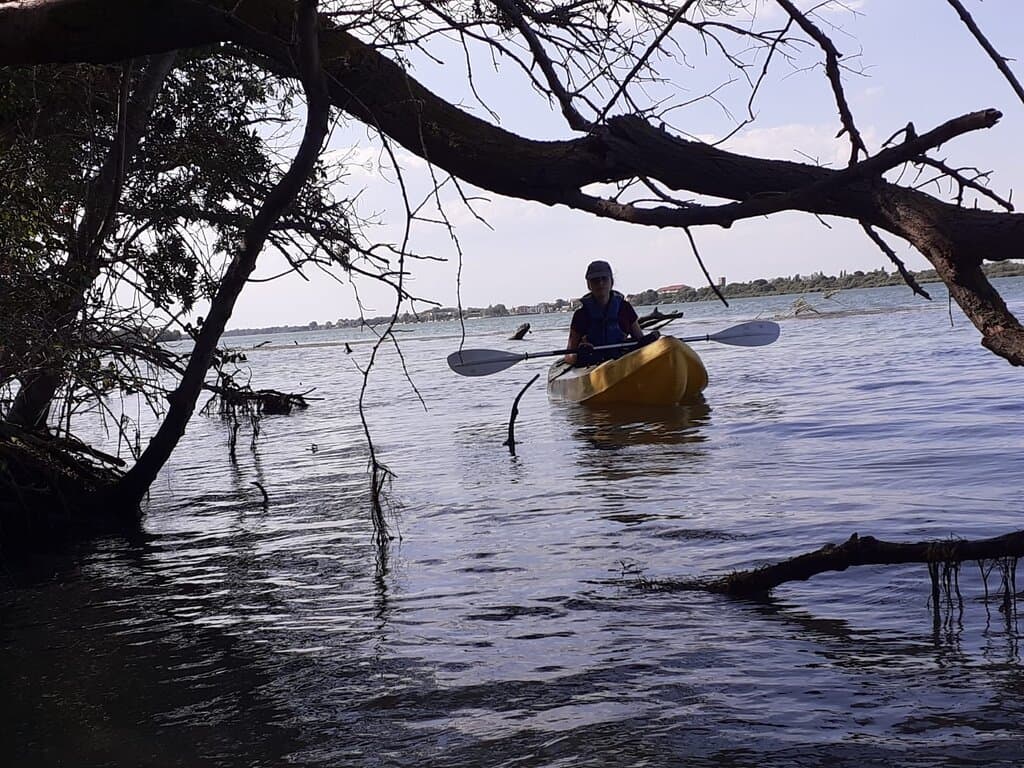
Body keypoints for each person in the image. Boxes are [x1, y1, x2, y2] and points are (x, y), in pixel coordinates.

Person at [565, 260, 655, 366]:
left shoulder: (625, 308)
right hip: (592, 364)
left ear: (611, 282)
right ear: (589, 285)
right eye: (595, 280)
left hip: (622, 360)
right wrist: (579, 355)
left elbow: (640, 341)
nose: (600, 283)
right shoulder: (580, 315)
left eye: (604, 278)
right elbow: (568, 355)